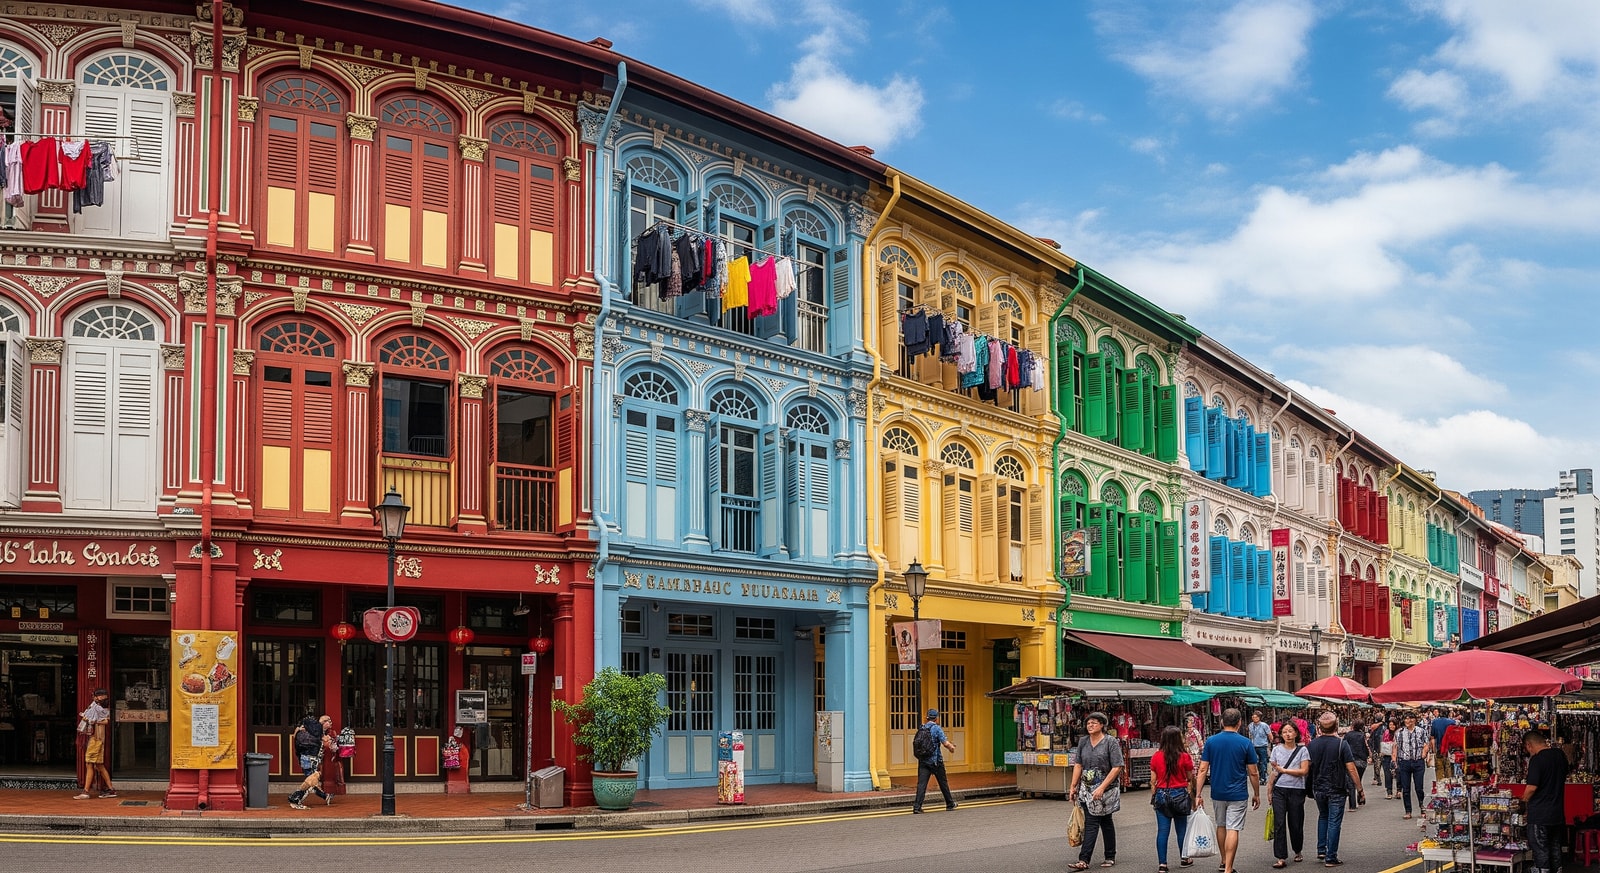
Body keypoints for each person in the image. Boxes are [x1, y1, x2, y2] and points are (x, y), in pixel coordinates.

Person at [1196, 707, 1259, 873]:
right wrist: (1257, 794)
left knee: (1221, 825)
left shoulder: (1211, 741)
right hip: (1238, 792)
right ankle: (1229, 868)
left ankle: (1223, 860)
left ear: (1222, 722)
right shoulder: (1246, 743)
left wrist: (1197, 794)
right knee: (1233, 828)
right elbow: (1253, 772)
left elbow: (1202, 769)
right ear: (1239, 723)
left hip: (1217, 791)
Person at [1068, 711, 1124, 870]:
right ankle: (1110, 855)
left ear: (1102, 725)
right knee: (1104, 822)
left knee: (1094, 822)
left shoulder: (1110, 742)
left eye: (1094, 723)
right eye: (1088, 723)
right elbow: (1078, 764)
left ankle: (1084, 859)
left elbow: (1117, 767)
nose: (1090, 725)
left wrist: (1102, 787)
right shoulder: (1083, 742)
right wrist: (1073, 786)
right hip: (1086, 789)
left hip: (1106, 790)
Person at [1308, 713, 1362, 866]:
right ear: (1337, 727)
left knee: (1323, 816)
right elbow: (1351, 768)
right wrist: (1359, 789)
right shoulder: (1341, 744)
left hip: (1318, 787)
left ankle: (1321, 849)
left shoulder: (1312, 744)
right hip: (1337, 787)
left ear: (1319, 727)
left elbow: (1307, 767)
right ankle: (1331, 857)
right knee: (1334, 821)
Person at [1150, 725, 1196, 873]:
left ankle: (1162, 864)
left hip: (1161, 794)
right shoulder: (1184, 756)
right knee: (1181, 829)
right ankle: (1184, 858)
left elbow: (1153, 781)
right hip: (1180, 794)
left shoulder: (1156, 756)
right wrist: (1194, 796)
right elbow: (1190, 778)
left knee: (1162, 831)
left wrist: (1155, 795)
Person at [1523, 729, 1570, 873]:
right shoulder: (1559, 755)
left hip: (1540, 815)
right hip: (1557, 813)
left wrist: (1523, 800)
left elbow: (1531, 787)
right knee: (1555, 846)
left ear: (1529, 745)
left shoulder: (1537, 760)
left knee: (1540, 848)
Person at [1267, 720, 1309, 868]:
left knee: (1295, 822)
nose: (1287, 734)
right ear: (1281, 735)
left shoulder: (1303, 750)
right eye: (1284, 732)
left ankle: (1297, 850)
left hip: (1297, 790)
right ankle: (1281, 856)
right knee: (1279, 823)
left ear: (1296, 733)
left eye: (1290, 731)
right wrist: (1269, 790)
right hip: (1279, 789)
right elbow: (1273, 772)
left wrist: (1284, 771)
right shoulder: (1277, 750)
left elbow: (1304, 771)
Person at [911, 708, 956, 814]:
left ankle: (917, 807)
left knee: (921, 784)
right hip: (936, 761)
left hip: (923, 761)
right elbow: (945, 743)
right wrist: (952, 748)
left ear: (927, 717)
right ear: (936, 718)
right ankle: (950, 804)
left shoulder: (922, 727)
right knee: (943, 783)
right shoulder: (936, 728)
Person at [75, 688, 115, 800]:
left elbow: (106, 721)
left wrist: (93, 721)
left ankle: (86, 791)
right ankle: (111, 789)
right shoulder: (99, 707)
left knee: (89, 764)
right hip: (97, 738)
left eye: (96, 696)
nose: (94, 697)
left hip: (96, 738)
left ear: (101, 696)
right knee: (99, 765)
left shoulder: (100, 708)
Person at [1391, 711, 1432, 819]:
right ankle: (1408, 810)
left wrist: (1424, 752)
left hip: (1418, 762)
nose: (1408, 721)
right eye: (1406, 719)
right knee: (1406, 788)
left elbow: (1427, 743)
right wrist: (1394, 760)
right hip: (1404, 762)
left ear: (1414, 720)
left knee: (1419, 788)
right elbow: (1395, 747)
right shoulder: (1399, 733)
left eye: (1410, 718)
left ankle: (1422, 807)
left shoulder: (1421, 731)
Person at [288, 714, 334, 809]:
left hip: (309, 758)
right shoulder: (315, 732)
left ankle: (325, 796)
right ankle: (295, 798)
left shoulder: (311, 731)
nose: (330, 723)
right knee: (311, 782)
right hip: (310, 759)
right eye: (328, 721)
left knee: (312, 781)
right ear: (323, 723)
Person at [1342, 720, 1368, 809]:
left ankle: (1352, 804)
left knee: (1351, 782)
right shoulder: (1362, 735)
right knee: (1358, 780)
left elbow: (1343, 746)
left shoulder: (1348, 735)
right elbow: (1366, 747)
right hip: (1362, 760)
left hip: (1350, 760)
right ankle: (1360, 797)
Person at [1248, 711, 1272, 786]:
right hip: (1253, 746)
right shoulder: (1250, 726)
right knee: (1255, 762)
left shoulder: (1264, 725)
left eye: (1256, 717)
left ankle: (1263, 778)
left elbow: (1270, 735)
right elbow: (1250, 735)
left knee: (1263, 762)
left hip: (1262, 746)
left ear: (1259, 718)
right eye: (1253, 717)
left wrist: (1270, 744)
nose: (1254, 718)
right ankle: (1257, 777)